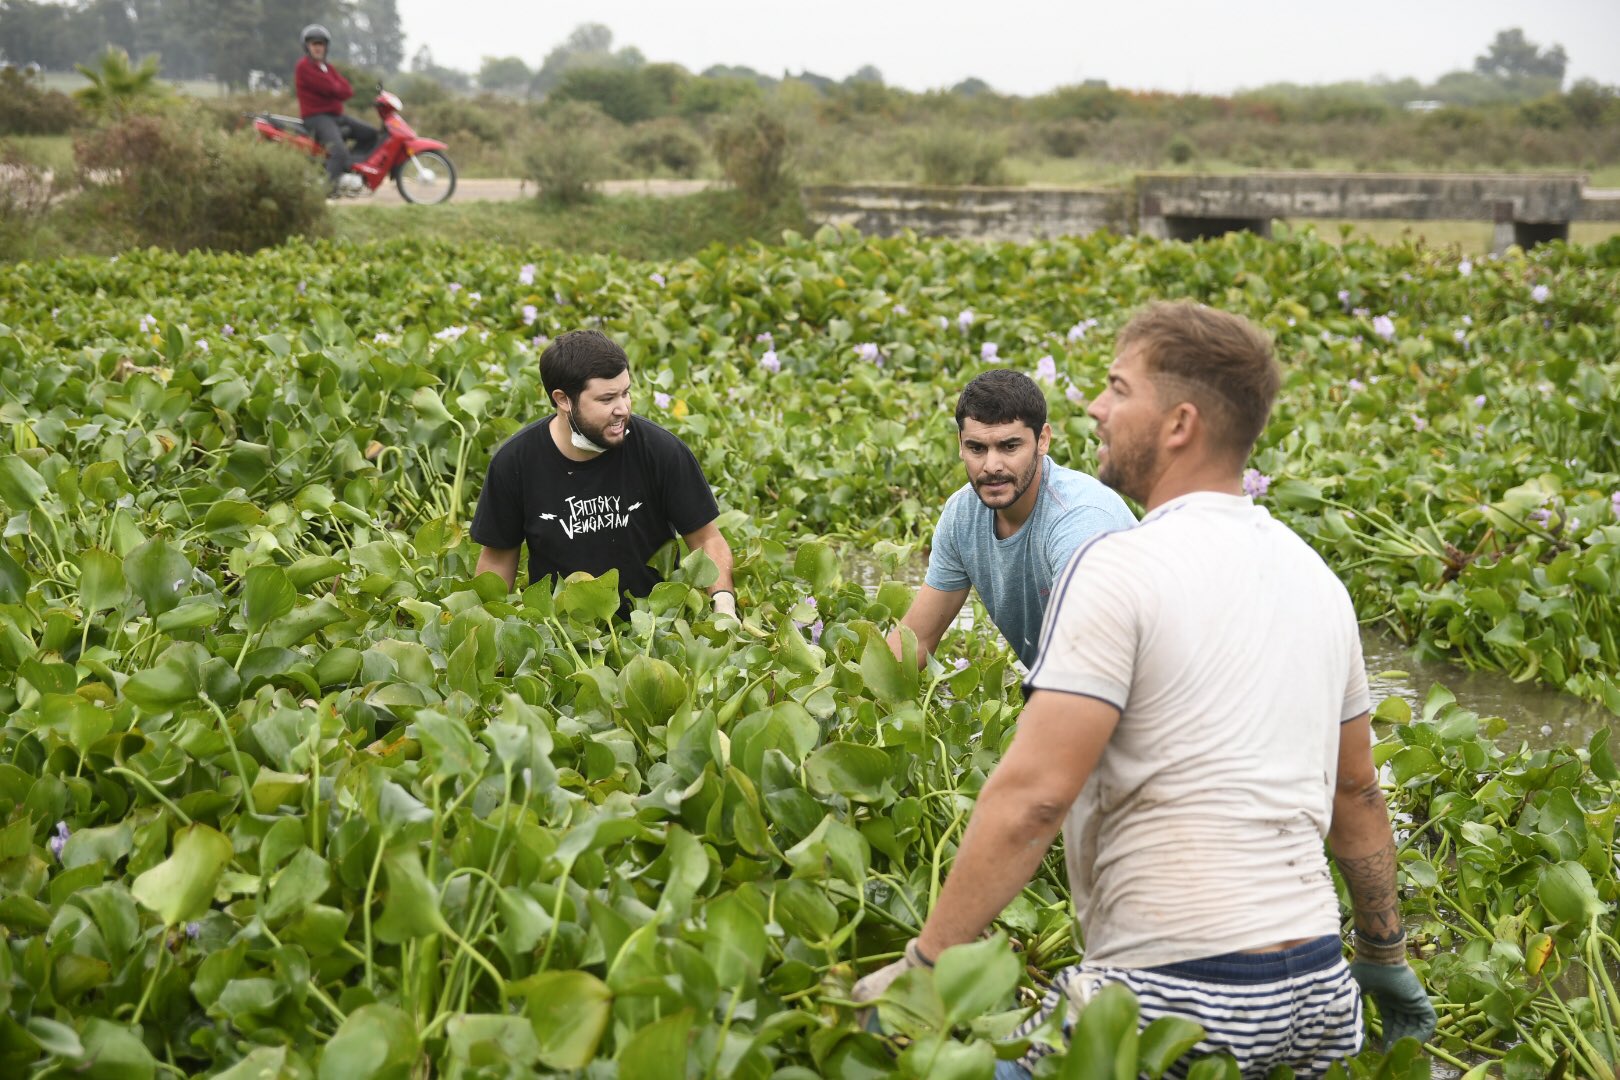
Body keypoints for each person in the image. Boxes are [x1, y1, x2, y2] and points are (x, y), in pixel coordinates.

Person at [854, 303, 1436, 1078]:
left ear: (1179, 423)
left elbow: (1032, 799)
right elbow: (1358, 792)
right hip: (1320, 997)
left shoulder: (1113, 562)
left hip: (1179, 993)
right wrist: (1384, 952)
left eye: (1118, 389)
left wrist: (925, 965)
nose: (1096, 406)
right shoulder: (1318, 577)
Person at [470, 329, 737, 619]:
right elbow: (497, 563)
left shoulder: (660, 449)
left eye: (626, 393)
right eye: (607, 399)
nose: (623, 408)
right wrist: (483, 631)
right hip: (562, 636)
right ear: (563, 399)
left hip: (653, 627)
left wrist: (724, 606)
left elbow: (707, 540)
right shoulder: (515, 463)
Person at [886, 369, 1134, 671]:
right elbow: (917, 641)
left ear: (1042, 440)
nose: (991, 466)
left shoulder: (1079, 521)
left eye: (1009, 446)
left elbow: (1087, 665)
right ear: (960, 445)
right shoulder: (962, 515)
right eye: (977, 448)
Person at [293, 23, 376, 197]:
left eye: (321, 44)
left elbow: (347, 90)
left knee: (371, 133)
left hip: (334, 116)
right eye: (314, 44)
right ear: (307, 46)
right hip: (317, 117)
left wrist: (336, 88)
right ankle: (326, 193)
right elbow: (331, 88)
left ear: (326, 47)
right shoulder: (304, 67)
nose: (317, 48)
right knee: (338, 151)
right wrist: (336, 87)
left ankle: (348, 167)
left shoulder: (327, 68)